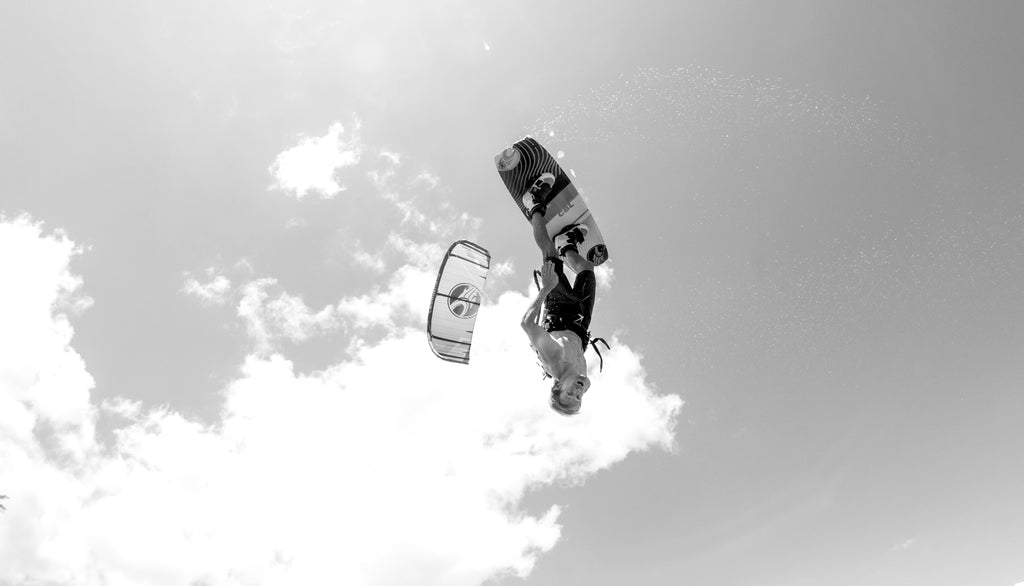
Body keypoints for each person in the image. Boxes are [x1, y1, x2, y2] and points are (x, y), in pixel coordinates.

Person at [519, 173, 597, 416]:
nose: (578, 392)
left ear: (557, 386)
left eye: (569, 394)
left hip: (559, 312)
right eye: (579, 398)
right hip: (580, 323)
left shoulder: (554, 360)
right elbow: (579, 385)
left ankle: (534, 204)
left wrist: (546, 288)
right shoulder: (584, 381)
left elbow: (527, 324)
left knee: (549, 254)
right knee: (587, 269)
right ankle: (567, 244)